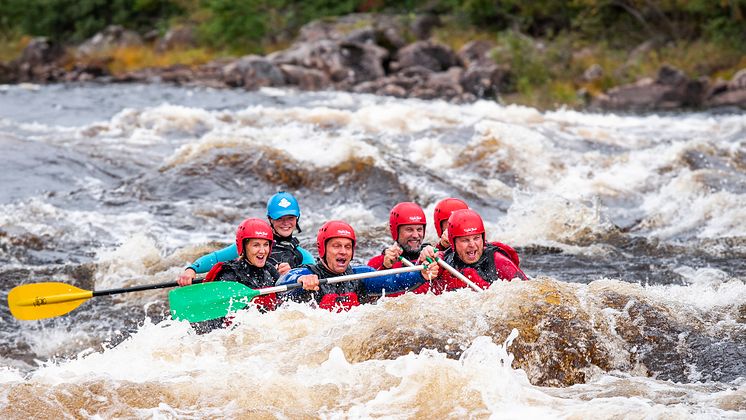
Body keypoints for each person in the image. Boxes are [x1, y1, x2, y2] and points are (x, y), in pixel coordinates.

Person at [277, 220, 439, 311]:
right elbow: (284, 281)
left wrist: (421, 274)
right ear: (322, 249)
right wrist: (301, 280)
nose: (343, 252)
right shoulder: (308, 274)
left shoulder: (359, 276)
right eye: (336, 246)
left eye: (347, 247)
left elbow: (393, 281)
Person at [177, 191, 314, 286]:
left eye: (290, 218)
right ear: (270, 219)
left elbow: (313, 275)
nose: (285, 223)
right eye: (280, 218)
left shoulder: (301, 255)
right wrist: (192, 269)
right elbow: (216, 258)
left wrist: (292, 275)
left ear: (297, 218)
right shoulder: (249, 244)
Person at [189, 218, 281, 332]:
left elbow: (285, 299)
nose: (262, 251)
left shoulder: (270, 270)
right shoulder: (229, 275)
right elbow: (217, 322)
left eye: (266, 244)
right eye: (256, 245)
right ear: (243, 247)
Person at [421, 209, 528, 294]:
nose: (472, 244)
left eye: (476, 238)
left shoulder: (498, 261)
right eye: (465, 240)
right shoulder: (443, 260)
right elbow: (417, 289)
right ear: (453, 243)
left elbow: (528, 292)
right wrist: (425, 260)